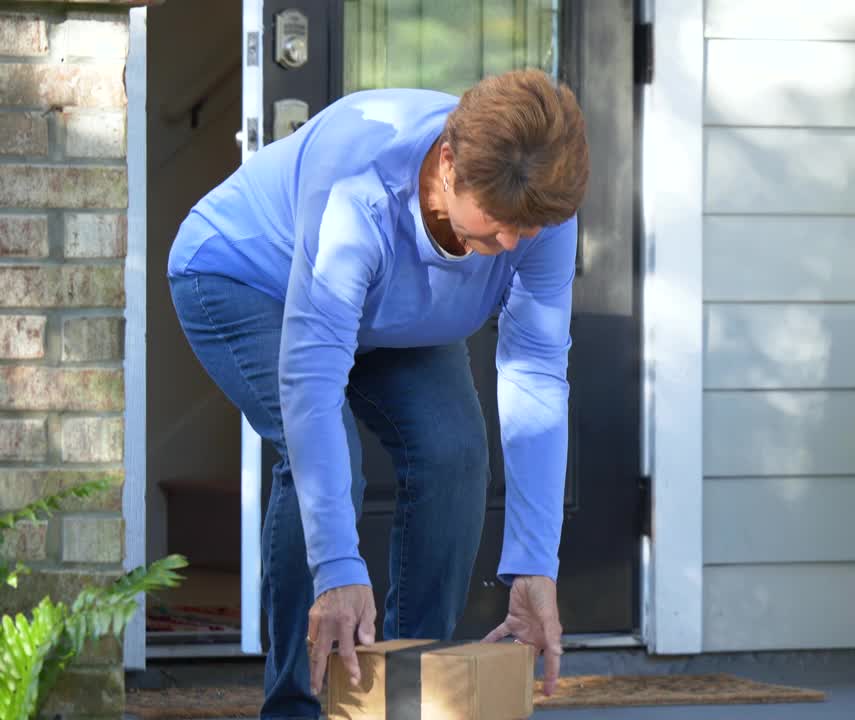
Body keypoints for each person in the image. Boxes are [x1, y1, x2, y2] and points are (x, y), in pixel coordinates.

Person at [166, 69, 588, 719]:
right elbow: (312, 384)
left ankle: (410, 692)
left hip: (392, 313)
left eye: (525, 231)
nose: (508, 245)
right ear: (447, 164)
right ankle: (296, 706)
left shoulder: (539, 210)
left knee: (453, 453)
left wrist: (534, 564)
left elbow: (534, 372)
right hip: (246, 280)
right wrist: (338, 568)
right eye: (498, 224)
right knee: (323, 448)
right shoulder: (358, 191)